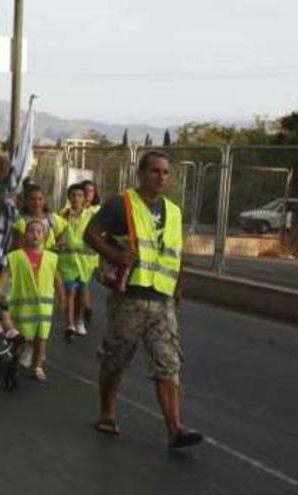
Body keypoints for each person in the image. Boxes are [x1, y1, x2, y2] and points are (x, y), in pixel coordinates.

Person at [84, 150, 203, 449]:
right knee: (116, 358)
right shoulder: (121, 204)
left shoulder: (173, 211)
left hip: (161, 299)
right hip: (129, 297)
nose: (161, 177)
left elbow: (176, 253)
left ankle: (175, 428)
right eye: (155, 171)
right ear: (140, 174)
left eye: (165, 172)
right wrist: (113, 254)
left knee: (168, 362)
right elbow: (91, 233)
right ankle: (107, 413)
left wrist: (178, 286)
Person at [3, 219, 63, 381]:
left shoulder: (51, 258)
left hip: (44, 306)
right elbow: (6, 273)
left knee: (41, 337)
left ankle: (37, 365)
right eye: (31, 231)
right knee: (20, 335)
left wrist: (62, 299)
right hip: (22, 305)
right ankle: (14, 359)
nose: (35, 235)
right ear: (24, 236)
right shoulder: (16, 257)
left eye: (39, 232)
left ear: (44, 236)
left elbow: (57, 279)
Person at [59, 183, 94, 337]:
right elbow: (58, 234)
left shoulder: (90, 216)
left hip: (84, 262)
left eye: (79, 195)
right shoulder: (62, 214)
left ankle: (79, 320)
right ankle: (70, 324)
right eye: (73, 195)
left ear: (84, 198)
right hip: (67, 261)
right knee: (70, 291)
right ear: (69, 198)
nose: (76, 199)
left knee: (81, 293)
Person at [13, 184, 67, 250]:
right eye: (32, 199)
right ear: (26, 202)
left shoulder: (54, 219)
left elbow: (61, 242)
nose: (36, 203)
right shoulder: (21, 222)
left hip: (50, 259)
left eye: (40, 199)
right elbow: (18, 249)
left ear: (44, 201)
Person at [81, 179, 102, 324]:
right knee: (81, 282)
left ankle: (85, 308)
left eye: (91, 191)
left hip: (90, 253)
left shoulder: (97, 210)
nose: (89, 194)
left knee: (83, 282)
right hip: (75, 253)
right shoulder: (75, 209)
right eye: (86, 191)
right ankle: (85, 307)